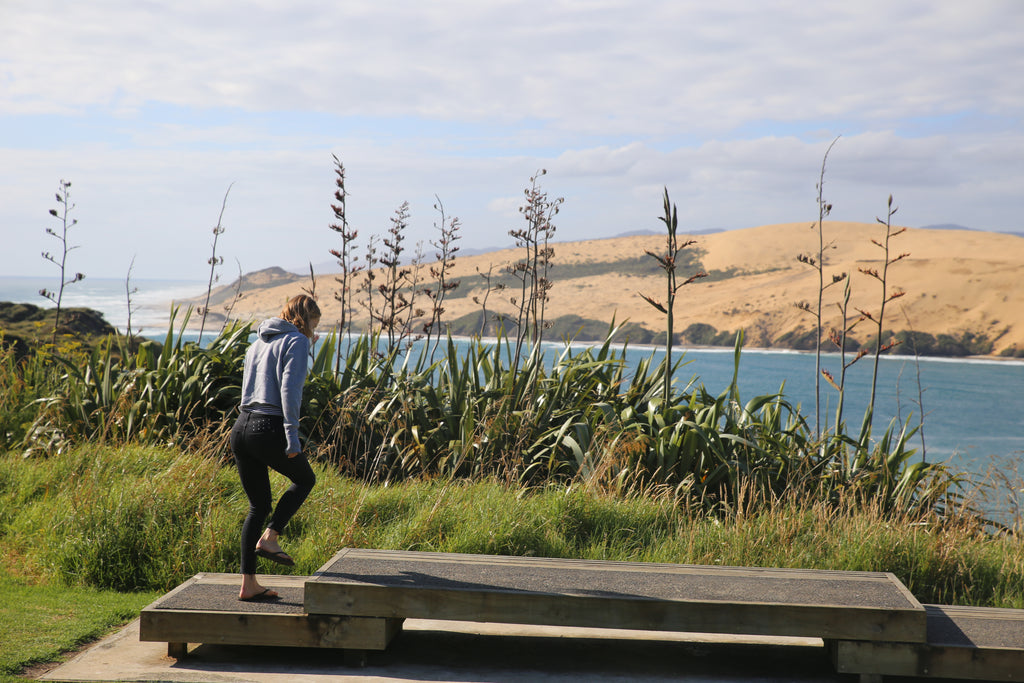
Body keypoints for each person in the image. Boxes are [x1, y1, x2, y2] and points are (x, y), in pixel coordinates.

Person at [230, 294, 320, 601]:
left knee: (258, 507)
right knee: (305, 479)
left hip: (241, 426)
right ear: (306, 320)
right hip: (267, 426)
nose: (313, 331)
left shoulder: (258, 343)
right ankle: (270, 538)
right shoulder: (297, 341)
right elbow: (289, 390)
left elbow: (249, 387)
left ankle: (248, 585)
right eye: (314, 324)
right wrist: (292, 437)